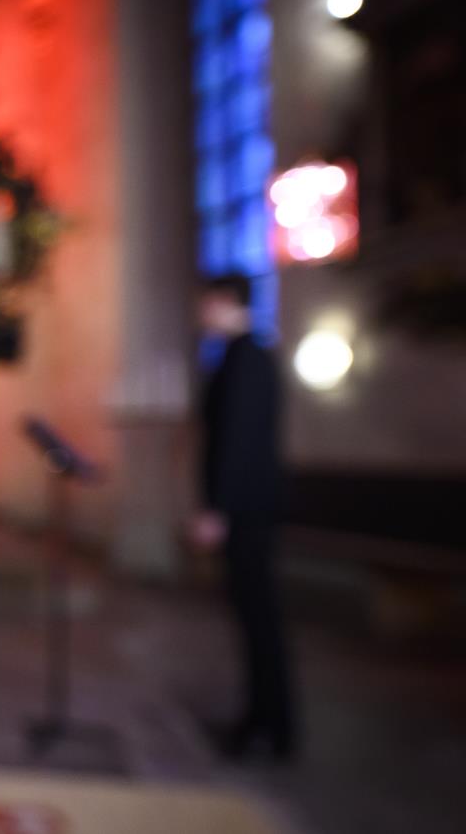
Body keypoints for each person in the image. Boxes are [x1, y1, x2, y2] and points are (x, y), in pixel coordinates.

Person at [193, 274, 295, 761]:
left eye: (206, 304)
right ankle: (262, 719)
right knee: (252, 620)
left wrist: (218, 509)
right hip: (246, 509)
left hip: (247, 512)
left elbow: (238, 446)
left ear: (226, 302)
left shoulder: (248, 359)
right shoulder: (239, 358)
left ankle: (272, 727)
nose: (201, 315)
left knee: (261, 621)